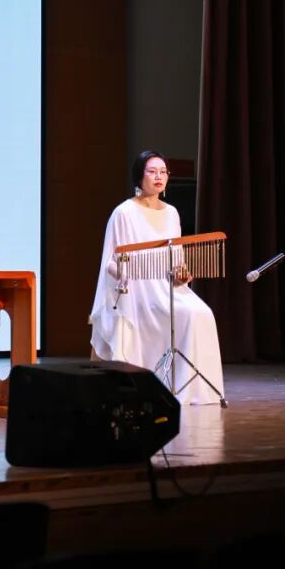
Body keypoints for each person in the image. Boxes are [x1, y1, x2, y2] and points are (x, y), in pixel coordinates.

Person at [89, 150, 225, 405]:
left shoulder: (172, 212)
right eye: (152, 172)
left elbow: (176, 259)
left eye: (163, 172)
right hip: (138, 289)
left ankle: (192, 390)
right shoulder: (124, 212)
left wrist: (182, 274)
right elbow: (111, 261)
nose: (158, 177)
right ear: (139, 177)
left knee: (202, 313)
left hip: (168, 287)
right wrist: (124, 275)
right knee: (185, 314)